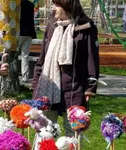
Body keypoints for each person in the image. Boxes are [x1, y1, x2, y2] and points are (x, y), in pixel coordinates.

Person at [32, 0, 99, 137]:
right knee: (45, 131)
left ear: (67, 6)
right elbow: (43, 57)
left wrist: (91, 86)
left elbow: (92, 58)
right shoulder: (52, 25)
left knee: (72, 133)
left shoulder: (86, 27)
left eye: (57, 5)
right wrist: (36, 81)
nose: (53, 8)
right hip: (49, 87)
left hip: (74, 89)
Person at [18, 0, 36, 82]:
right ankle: (25, 77)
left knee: (12, 54)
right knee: (25, 56)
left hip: (19, 32)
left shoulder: (16, 4)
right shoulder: (31, 5)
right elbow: (31, 19)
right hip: (29, 32)